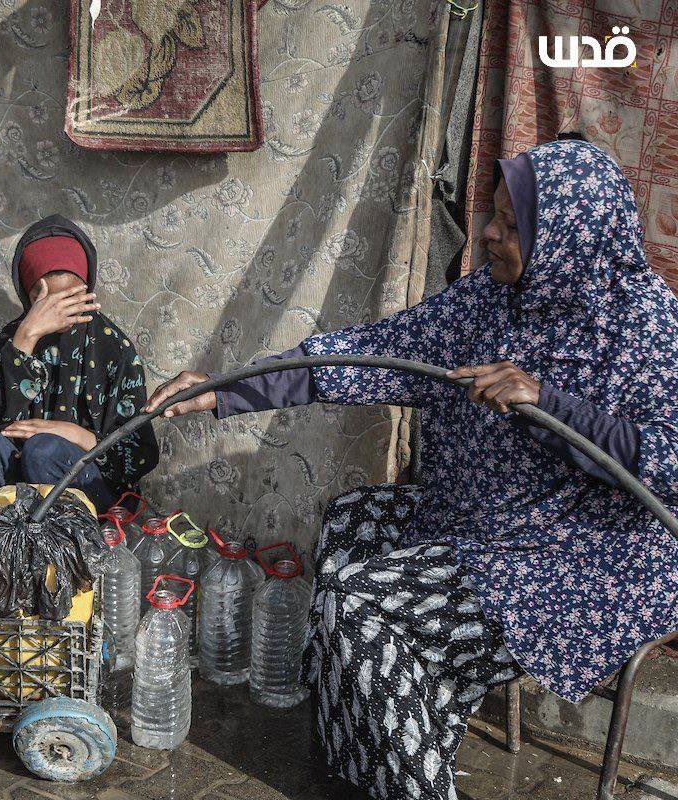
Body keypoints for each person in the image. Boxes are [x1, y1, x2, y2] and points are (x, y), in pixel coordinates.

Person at [146, 138, 678, 800]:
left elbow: (670, 464)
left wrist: (551, 403)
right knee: (350, 524)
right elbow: (375, 353)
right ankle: (365, 764)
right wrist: (227, 390)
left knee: (363, 609)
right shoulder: (489, 299)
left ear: (566, 241)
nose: (487, 233)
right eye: (494, 214)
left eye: (512, 227)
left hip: (574, 557)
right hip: (482, 523)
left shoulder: (642, 327)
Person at [0, 215, 159, 511]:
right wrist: (26, 337)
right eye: (46, 302)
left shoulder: (112, 347)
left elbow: (140, 455)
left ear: (88, 289)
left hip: (92, 497)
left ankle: (62, 554)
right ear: (28, 297)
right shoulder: (11, 339)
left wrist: (75, 435)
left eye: (71, 297)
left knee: (43, 451)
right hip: (17, 490)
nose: (59, 312)